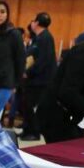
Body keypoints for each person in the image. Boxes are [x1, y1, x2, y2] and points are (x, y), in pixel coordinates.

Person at [18, 12, 56, 140]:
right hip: (32, 80)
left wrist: (27, 72)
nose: (31, 23)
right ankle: (26, 129)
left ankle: (34, 133)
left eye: (33, 21)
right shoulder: (38, 37)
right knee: (26, 105)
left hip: (40, 81)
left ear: (37, 23)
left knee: (32, 107)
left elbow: (42, 61)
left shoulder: (45, 38)